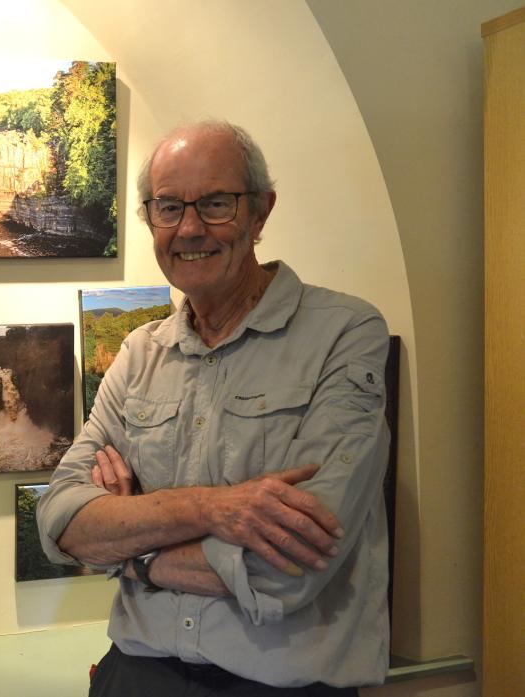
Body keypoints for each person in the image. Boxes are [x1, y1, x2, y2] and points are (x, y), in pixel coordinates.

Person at [37, 120, 390, 696]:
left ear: (260, 213)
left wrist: (134, 552)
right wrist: (213, 508)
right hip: (135, 675)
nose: (190, 229)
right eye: (169, 206)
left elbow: (287, 568)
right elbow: (63, 522)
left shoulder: (345, 333)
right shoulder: (139, 352)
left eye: (216, 204)